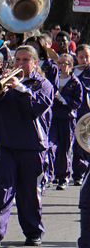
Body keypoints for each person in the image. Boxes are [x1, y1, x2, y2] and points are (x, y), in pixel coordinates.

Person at [0, 46, 54, 248]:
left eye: (25, 60)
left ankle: (33, 231)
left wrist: (20, 87)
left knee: (29, 193)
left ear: (35, 63)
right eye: (17, 59)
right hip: (4, 144)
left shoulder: (43, 84)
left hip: (32, 146)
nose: (20, 64)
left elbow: (37, 106)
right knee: (2, 190)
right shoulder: (4, 82)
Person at [50, 54, 83, 190]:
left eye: (64, 63)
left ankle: (64, 178)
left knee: (64, 148)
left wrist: (63, 99)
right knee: (50, 147)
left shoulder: (75, 82)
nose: (61, 66)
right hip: (53, 117)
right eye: (59, 63)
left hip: (67, 119)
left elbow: (77, 103)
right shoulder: (54, 79)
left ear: (70, 65)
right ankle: (51, 174)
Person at [73, 45, 90, 185]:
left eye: (87, 57)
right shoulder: (71, 71)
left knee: (84, 144)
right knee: (73, 145)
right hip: (73, 112)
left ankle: (81, 173)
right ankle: (75, 173)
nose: (84, 59)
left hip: (87, 114)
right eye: (81, 57)